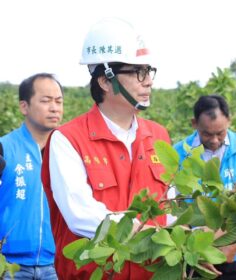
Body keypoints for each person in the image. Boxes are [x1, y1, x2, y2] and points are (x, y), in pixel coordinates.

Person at [41, 18, 170, 279]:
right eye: (138, 72)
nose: (148, 82)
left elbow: (172, 205)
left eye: (149, 71)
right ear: (105, 80)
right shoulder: (67, 140)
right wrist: (149, 233)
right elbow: (81, 215)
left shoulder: (158, 136)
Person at [173, 94, 236, 280]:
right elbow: (175, 209)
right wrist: (196, 249)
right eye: (207, 134)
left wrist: (232, 242)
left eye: (220, 133)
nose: (214, 140)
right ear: (194, 123)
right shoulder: (179, 154)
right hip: (195, 253)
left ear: (229, 120)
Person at [0, 73, 64, 279]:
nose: (54, 107)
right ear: (24, 106)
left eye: (58, 101)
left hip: (56, 265)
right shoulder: (4, 148)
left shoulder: (69, 152)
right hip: (10, 266)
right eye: (46, 101)